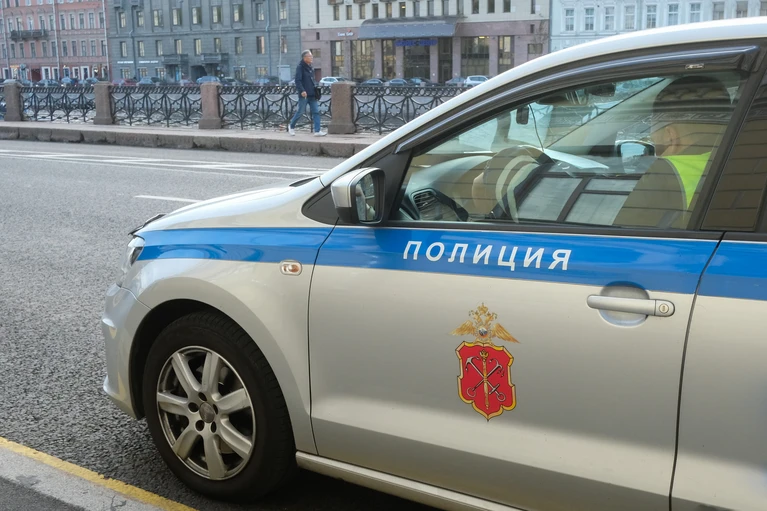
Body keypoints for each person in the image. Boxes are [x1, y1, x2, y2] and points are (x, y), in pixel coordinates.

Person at [288, 50, 326, 137]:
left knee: (316, 112)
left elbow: (311, 80)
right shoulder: (300, 67)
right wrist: (302, 90)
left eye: (312, 56)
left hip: (312, 94)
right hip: (304, 94)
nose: (311, 58)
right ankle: (291, 126)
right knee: (300, 112)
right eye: (310, 56)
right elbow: (298, 80)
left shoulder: (310, 67)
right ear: (304, 58)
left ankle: (317, 131)